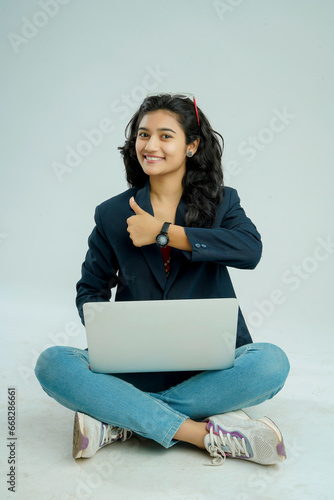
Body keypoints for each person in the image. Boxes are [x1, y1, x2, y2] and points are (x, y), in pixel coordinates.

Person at [35, 93, 290, 466]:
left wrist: (164, 232)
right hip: (134, 367)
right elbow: (91, 288)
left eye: (165, 136)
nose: (150, 145)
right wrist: (107, 329)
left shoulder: (223, 202)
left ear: (192, 145)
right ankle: (200, 433)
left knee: (271, 363)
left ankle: (121, 420)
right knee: (52, 363)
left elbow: (250, 251)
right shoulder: (111, 213)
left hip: (211, 368)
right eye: (143, 134)